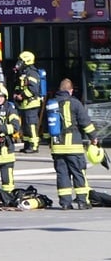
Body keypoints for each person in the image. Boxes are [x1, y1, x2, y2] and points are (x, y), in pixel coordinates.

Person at [45, 78, 99, 210]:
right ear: (70, 90)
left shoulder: (51, 104)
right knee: (78, 173)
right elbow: (85, 123)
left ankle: (65, 203)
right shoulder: (75, 103)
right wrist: (93, 138)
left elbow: (47, 128)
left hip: (57, 147)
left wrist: (49, 142)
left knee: (62, 174)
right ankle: (81, 201)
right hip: (73, 145)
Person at [12, 51, 42, 153]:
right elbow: (19, 85)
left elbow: (33, 89)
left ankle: (34, 146)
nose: (19, 62)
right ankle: (27, 145)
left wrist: (22, 96)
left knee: (31, 125)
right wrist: (16, 93)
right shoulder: (23, 73)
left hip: (31, 104)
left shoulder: (32, 73)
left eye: (21, 60)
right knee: (25, 126)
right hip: (24, 105)